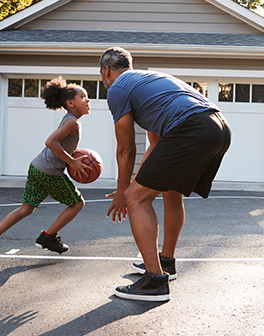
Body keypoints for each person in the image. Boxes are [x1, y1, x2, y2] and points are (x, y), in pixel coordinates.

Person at [99, 47, 231, 301]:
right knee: (170, 191)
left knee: (137, 199)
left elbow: (126, 148)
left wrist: (124, 192)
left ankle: (155, 281)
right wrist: (137, 181)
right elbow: (155, 144)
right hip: (218, 128)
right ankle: (166, 263)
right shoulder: (150, 80)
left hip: (192, 129)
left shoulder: (117, 89)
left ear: (106, 70)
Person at [0, 76, 91, 264]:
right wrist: (72, 162)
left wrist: (72, 157)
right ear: (70, 103)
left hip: (37, 168)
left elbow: (60, 145)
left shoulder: (71, 120)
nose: (88, 100)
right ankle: (48, 237)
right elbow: (50, 142)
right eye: (83, 96)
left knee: (25, 209)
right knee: (77, 203)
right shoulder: (72, 122)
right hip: (48, 172)